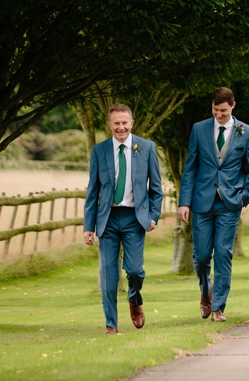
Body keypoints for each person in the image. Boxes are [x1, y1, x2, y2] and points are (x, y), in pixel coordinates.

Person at [178, 87, 249, 322]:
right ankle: (206, 293)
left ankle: (218, 307)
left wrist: (244, 196)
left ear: (233, 106)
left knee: (223, 253)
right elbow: (190, 167)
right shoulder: (199, 129)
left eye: (223, 110)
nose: (219, 115)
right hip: (201, 202)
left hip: (230, 203)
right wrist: (184, 202)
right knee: (202, 257)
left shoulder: (247, 132)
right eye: (215, 110)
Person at [83, 104, 163, 334]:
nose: (121, 127)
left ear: (131, 123)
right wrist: (89, 226)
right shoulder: (99, 151)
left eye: (124, 123)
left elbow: (156, 189)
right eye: (116, 123)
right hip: (107, 219)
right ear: (109, 125)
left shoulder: (146, 148)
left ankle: (134, 299)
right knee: (108, 274)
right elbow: (93, 191)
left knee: (135, 270)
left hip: (134, 219)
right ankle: (111, 324)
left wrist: (153, 216)